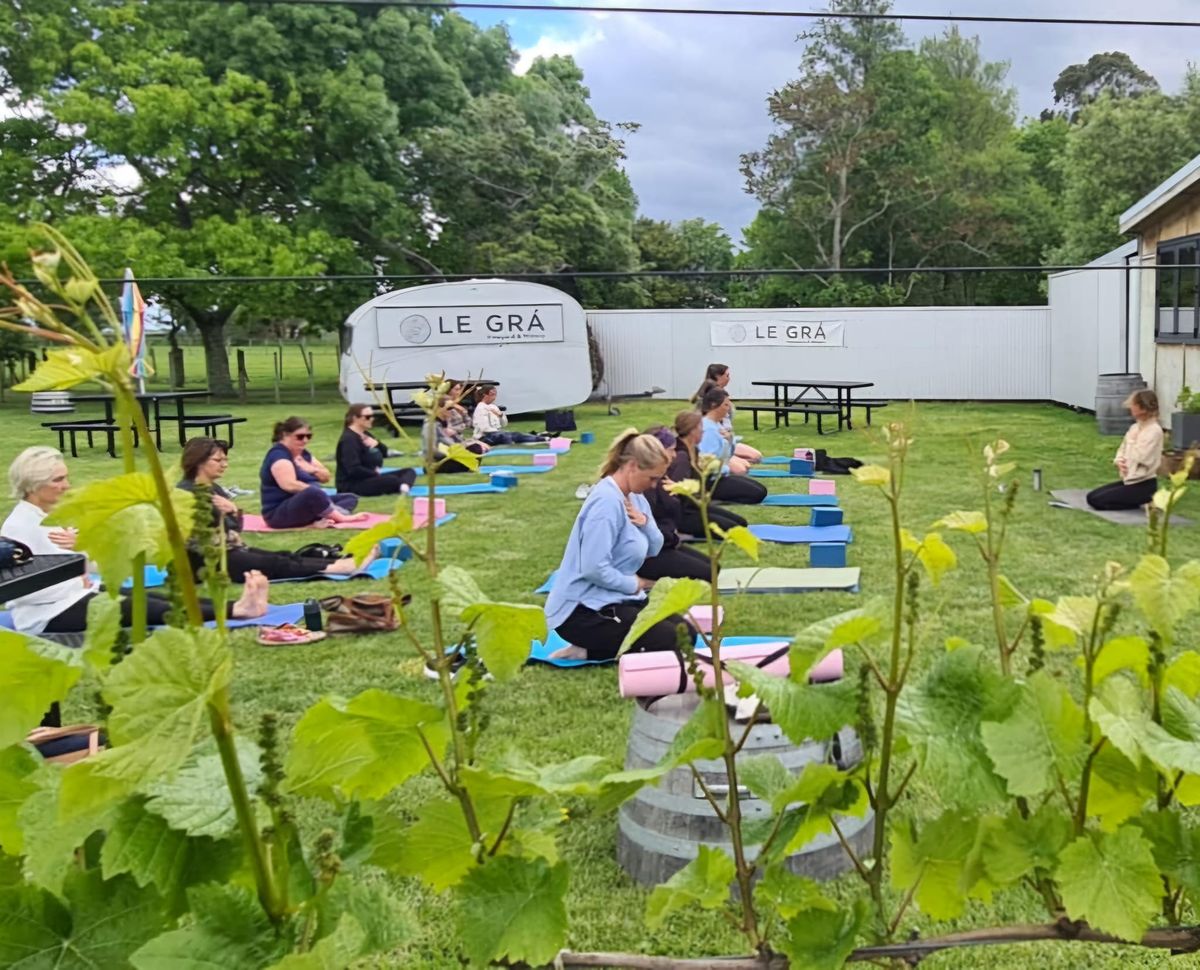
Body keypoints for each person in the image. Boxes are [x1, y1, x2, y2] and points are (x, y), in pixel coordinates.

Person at [3, 446, 269, 635]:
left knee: (151, 597)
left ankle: (233, 607)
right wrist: (75, 577)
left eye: (66, 477)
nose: (67, 485)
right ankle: (238, 610)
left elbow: (94, 566)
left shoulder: (57, 516)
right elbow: (20, 590)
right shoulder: (18, 529)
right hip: (46, 614)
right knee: (139, 607)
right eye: (58, 480)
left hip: (79, 594)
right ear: (33, 485)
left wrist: (84, 551)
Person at [545, 431, 698, 662]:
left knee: (686, 633)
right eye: (652, 478)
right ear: (633, 466)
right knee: (672, 638)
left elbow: (654, 548)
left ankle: (590, 651)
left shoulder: (635, 497)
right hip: (581, 611)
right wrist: (633, 584)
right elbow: (593, 568)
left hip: (617, 598)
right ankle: (589, 646)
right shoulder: (605, 505)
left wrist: (645, 523)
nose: (655, 485)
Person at [179, 437, 373, 582]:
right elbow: (214, 532)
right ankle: (341, 567)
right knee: (275, 564)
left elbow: (235, 528)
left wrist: (232, 511)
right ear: (198, 462)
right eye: (218, 460)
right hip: (206, 562)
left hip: (226, 551)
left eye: (225, 459)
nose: (225, 465)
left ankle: (340, 564)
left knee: (281, 555)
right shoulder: (188, 493)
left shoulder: (214, 488)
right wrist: (231, 513)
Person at [260, 418, 365, 529]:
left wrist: (312, 469)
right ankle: (339, 517)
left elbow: (326, 477)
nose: (305, 440)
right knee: (313, 493)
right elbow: (288, 485)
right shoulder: (279, 456)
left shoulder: (303, 454)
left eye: (308, 436)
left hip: (306, 502)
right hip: (279, 513)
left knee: (350, 498)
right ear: (285, 435)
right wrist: (317, 493)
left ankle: (326, 512)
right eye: (300, 437)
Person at [638, 427, 712, 581]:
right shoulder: (646, 484)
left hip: (665, 539)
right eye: (671, 450)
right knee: (709, 573)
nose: (674, 454)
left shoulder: (662, 475)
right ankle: (644, 581)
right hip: (651, 551)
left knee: (713, 567)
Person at [670, 411, 751, 537]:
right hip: (683, 512)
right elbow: (674, 491)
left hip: (696, 506)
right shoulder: (681, 457)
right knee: (732, 529)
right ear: (692, 431)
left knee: (741, 524)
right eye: (700, 428)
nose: (703, 431)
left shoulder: (694, 450)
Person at [1087, 389, 1165, 511]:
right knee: (1092, 496)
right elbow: (1122, 449)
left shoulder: (1154, 431)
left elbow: (1142, 457)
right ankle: (1136, 502)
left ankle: (1145, 499)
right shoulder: (1135, 427)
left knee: (1097, 501)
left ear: (1143, 408)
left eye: (1133, 405)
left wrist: (1132, 441)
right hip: (1129, 481)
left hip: (1143, 483)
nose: (1130, 408)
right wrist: (1119, 461)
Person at [698, 388, 768, 505]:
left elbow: (727, 456)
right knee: (757, 494)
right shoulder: (707, 428)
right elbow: (706, 462)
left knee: (761, 489)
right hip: (711, 480)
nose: (729, 408)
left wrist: (730, 441)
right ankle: (711, 498)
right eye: (726, 404)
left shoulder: (716, 426)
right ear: (714, 405)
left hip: (721, 475)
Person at [335, 404, 417, 496]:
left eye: (372, 416)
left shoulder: (365, 434)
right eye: (368, 417)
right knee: (390, 480)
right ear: (355, 418)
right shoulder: (349, 440)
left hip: (370, 477)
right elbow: (353, 469)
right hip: (353, 484)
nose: (371, 419)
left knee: (409, 471)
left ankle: (403, 486)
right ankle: (401, 485)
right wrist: (373, 473)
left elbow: (385, 452)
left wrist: (377, 443)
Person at [692, 364, 762, 470]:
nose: (729, 378)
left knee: (755, 458)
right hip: (718, 443)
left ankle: (735, 459)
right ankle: (734, 460)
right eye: (727, 375)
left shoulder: (722, 396)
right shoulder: (708, 422)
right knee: (742, 467)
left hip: (725, 440)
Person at [423, 395, 489, 473]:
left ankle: (467, 466)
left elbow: (458, 440)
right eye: (449, 409)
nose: (452, 411)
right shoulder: (431, 426)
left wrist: (473, 443)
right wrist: (452, 453)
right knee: (475, 449)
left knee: (475, 447)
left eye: (452, 408)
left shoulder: (444, 423)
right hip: (439, 461)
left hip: (452, 454)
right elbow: (431, 450)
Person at [472, 386, 542, 445]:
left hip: (496, 434)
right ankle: (511, 444)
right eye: (492, 394)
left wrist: (501, 416)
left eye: (495, 394)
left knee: (516, 434)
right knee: (505, 436)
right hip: (485, 436)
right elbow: (484, 428)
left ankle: (541, 438)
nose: (494, 397)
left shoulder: (494, 407)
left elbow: (504, 424)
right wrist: (498, 431)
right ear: (485, 395)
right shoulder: (480, 408)